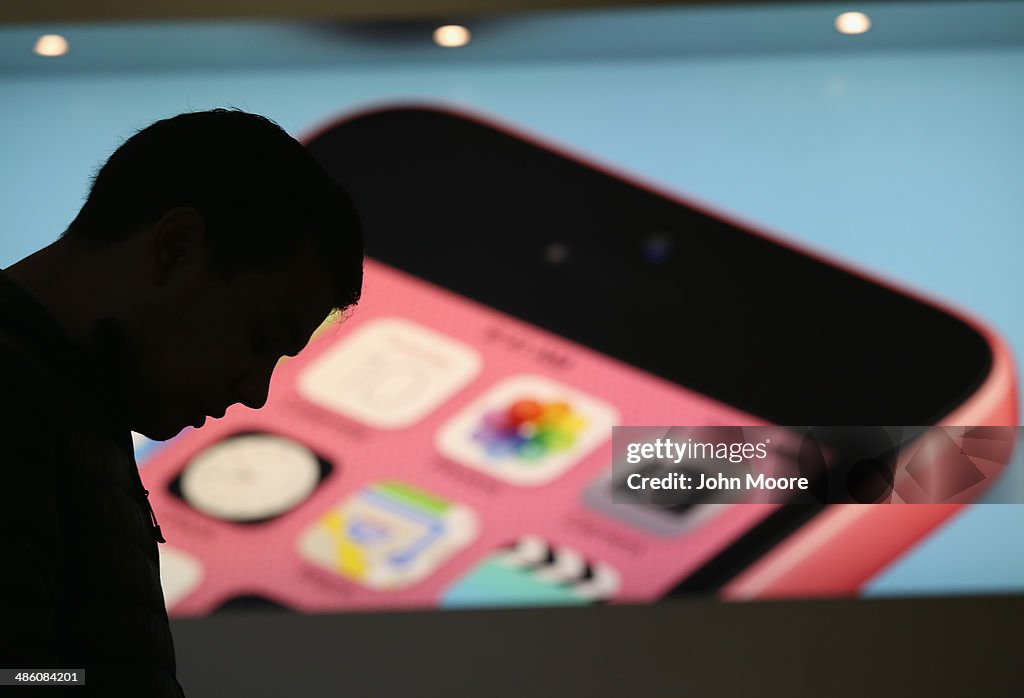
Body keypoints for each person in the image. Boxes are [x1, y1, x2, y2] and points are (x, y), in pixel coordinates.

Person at [0, 109, 363, 695]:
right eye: (261, 339)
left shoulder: (70, 402)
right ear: (177, 248)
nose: (256, 391)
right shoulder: (21, 393)